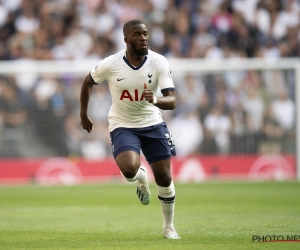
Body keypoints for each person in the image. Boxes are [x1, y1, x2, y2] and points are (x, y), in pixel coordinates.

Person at [80, 19, 180, 239]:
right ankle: (141, 179)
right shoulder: (111, 63)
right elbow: (88, 81)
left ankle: (168, 227)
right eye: (137, 34)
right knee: (128, 169)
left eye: (145, 34)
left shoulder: (159, 62)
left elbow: (172, 101)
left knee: (164, 177)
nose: (143, 38)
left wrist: (155, 99)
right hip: (123, 124)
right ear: (126, 39)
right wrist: (83, 115)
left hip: (152, 123)